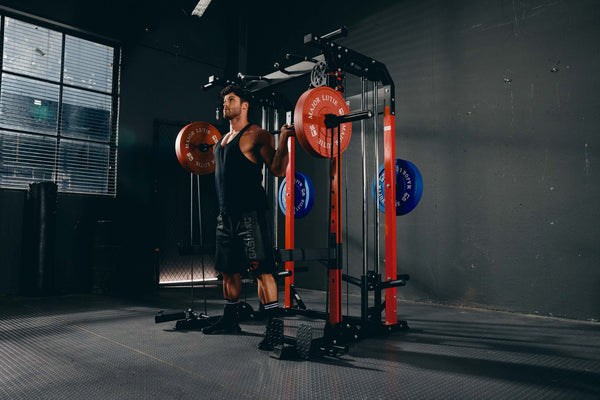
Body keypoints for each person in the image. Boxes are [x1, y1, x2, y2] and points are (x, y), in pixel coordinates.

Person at [203, 84, 294, 350]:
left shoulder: (257, 134)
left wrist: (285, 140)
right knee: (228, 271)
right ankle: (230, 319)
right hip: (226, 216)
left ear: (244, 106)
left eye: (231, 99)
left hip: (250, 216)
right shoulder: (221, 140)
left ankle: (275, 328)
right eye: (224, 101)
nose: (225, 104)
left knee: (262, 271)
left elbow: (277, 170)